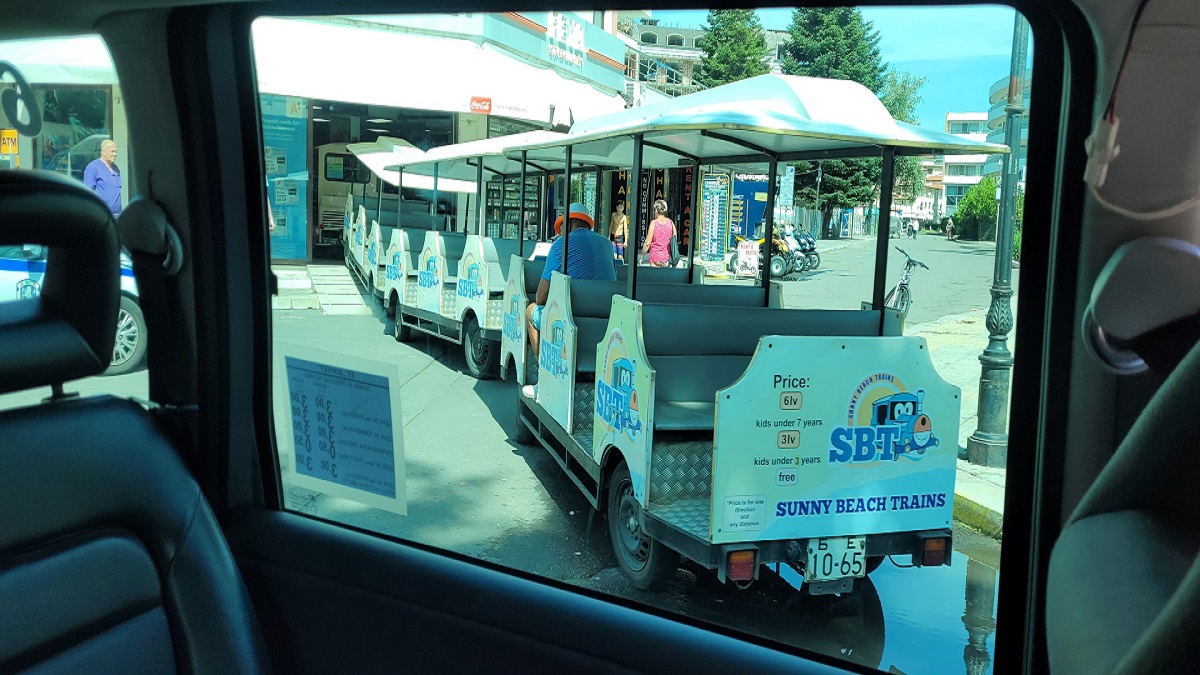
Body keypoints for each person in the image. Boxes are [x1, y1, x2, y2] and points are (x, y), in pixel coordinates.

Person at [524, 202, 617, 398]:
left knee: (531, 310)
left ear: (567, 224)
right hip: (607, 323)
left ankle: (545, 379)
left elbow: (541, 297)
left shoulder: (561, 244)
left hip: (570, 324)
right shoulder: (607, 245)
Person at [82, 139, 122, 218]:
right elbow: (87, 193)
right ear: (103, 152)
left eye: (116, 151)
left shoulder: (116, 168)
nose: (115, 154)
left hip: (117, 217)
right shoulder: (93, 167)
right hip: (101, 216)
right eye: (112, 151)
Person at [641, 199, 675, 267]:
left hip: (655, 258)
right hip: (666, 258)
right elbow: (674, 238)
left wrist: (642, 256)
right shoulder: (671, 223)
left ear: (656, 210)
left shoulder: (653, 223)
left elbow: (647, 243)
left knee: (655, 277)